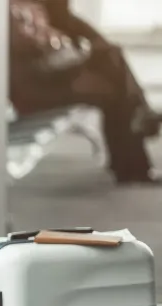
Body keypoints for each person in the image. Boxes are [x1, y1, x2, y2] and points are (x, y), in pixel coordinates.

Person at [9, 0, 161, 185]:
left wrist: (71, 45)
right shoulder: (8, 10)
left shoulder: (48, 9)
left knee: (113, 69)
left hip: (49, 76)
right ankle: (138, 131)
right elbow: (28, 49)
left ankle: (134, 151)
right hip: (32, 86)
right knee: (114, 82)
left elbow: (83, 35)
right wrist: (52, 38)